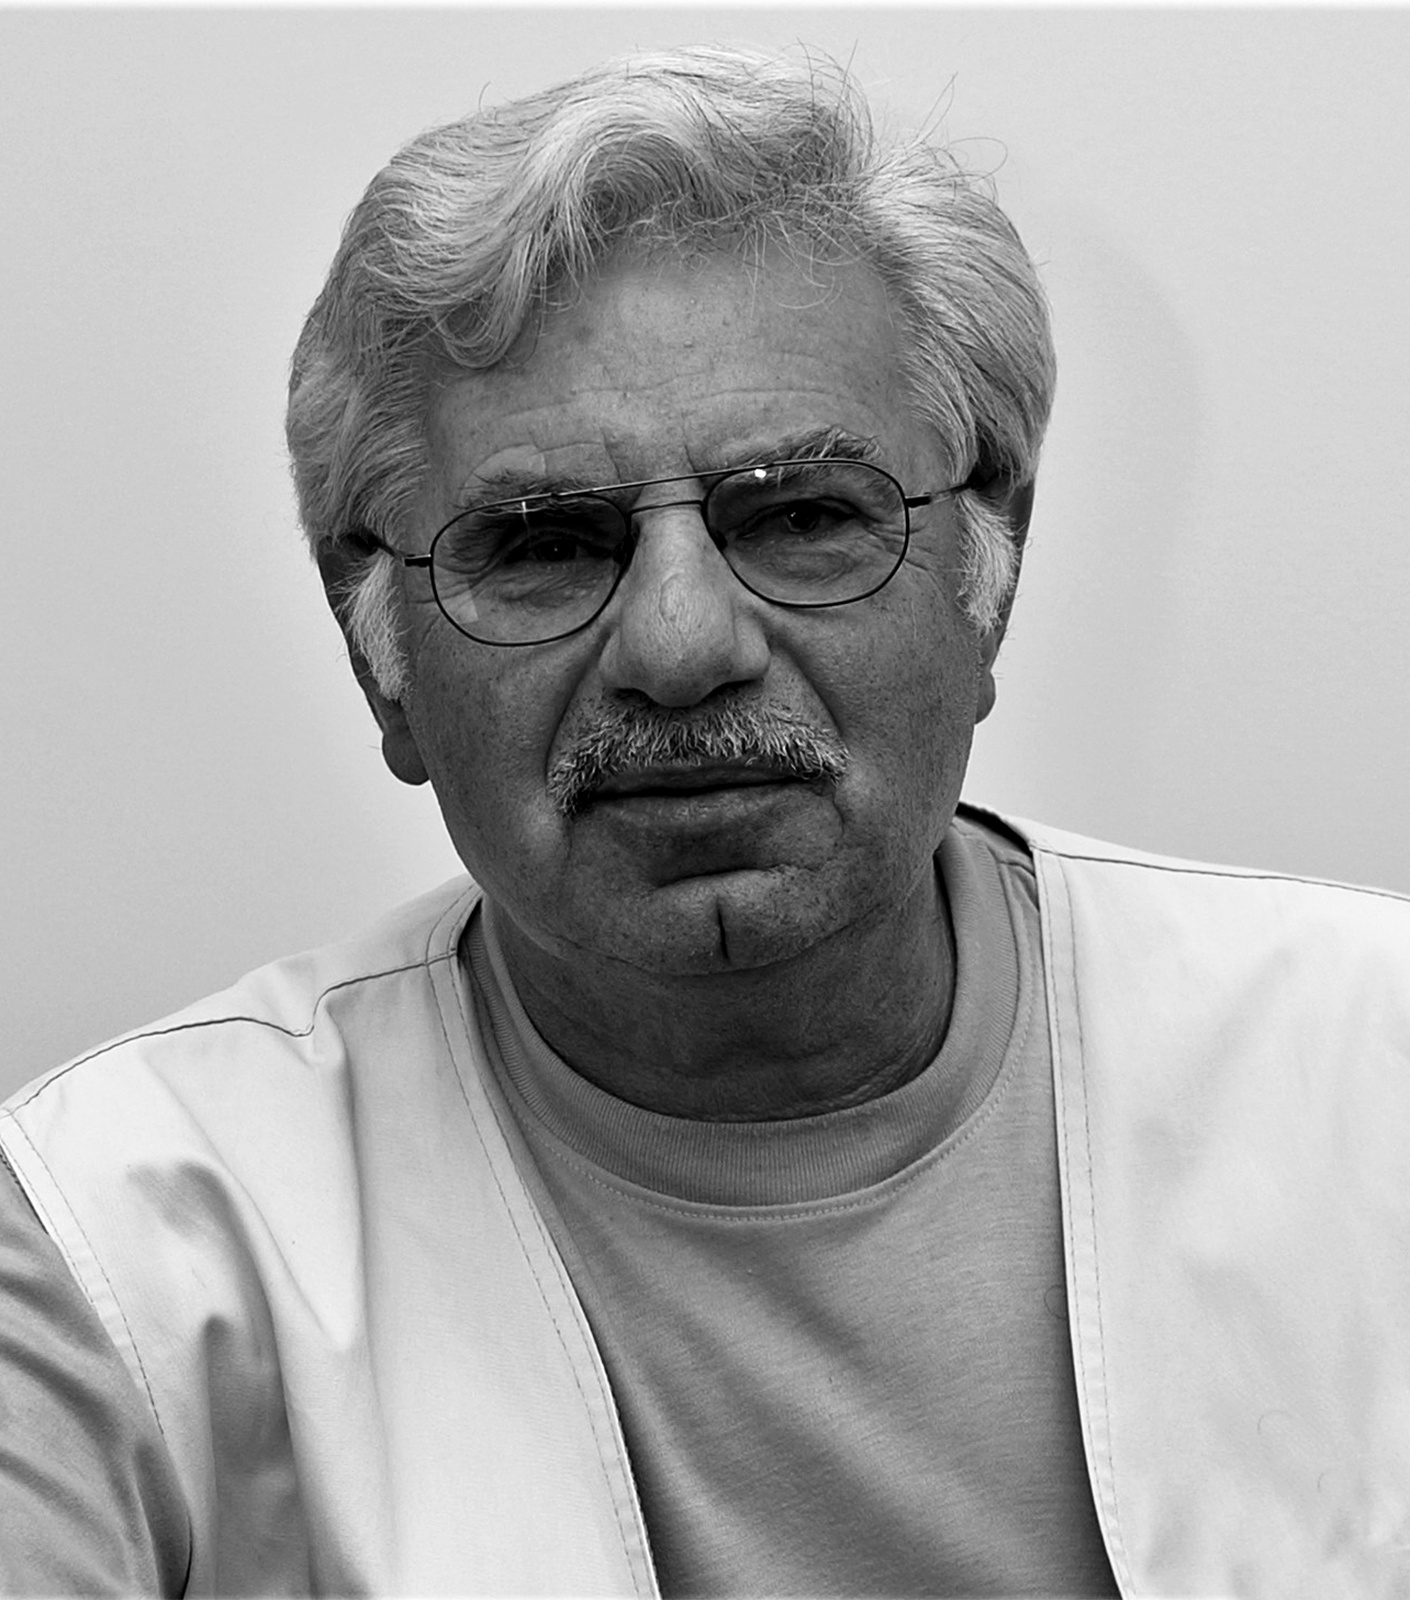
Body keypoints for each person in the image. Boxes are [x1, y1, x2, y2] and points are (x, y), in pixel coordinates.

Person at [2, 43, 1407, 1600]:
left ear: (986, 583)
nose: (680, 647)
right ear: (375, 659)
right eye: (542, 546)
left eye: (800, 518)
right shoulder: (110, 1242)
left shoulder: (1371, 1077)